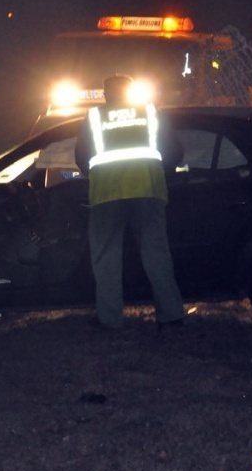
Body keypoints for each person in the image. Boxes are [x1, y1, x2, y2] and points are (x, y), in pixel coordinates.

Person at [74, 74, 185, 331]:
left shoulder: (94, 116)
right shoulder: (150, 111)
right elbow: (175, 151)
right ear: (130, 91)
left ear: (106, 93)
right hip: (148, 189)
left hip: (107, 194)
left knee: (106, 257)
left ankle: (109, 319)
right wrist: (157, 170)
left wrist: (96, 174)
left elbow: (81, 156)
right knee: (156, 252)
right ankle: (171, 315)